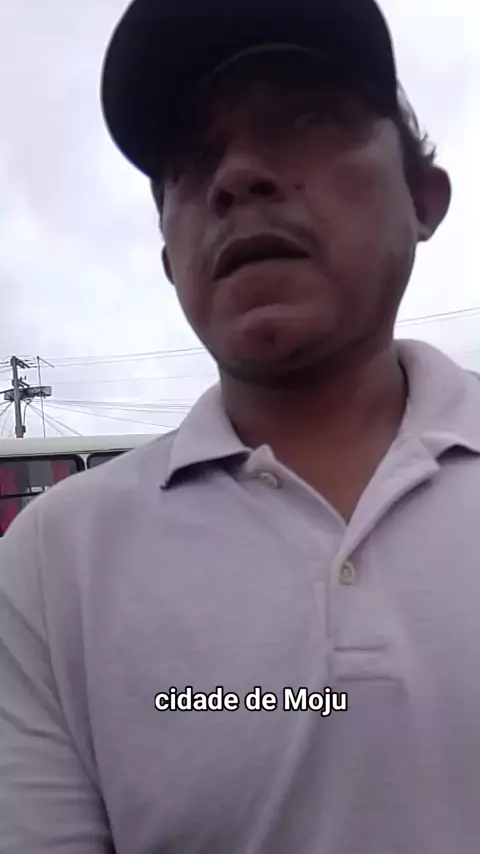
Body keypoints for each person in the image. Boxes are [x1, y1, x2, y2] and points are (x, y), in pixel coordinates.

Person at [0, 0, 478, 852]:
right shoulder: (51, 563)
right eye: (191, 160)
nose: (237, 176)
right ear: (168, 260)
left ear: (422, 197)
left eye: (306, 118)